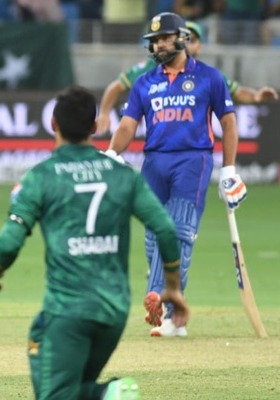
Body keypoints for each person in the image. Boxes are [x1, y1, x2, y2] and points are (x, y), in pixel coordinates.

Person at [0, 85, 189, 400]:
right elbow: (165, 228)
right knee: (63, 377)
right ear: (94, 127)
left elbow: (10, 241)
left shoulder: (41, 176)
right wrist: (172, 286)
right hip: (114, 310)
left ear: (53, 124)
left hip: (68, 310)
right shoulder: (123, 175)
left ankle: (111, 393)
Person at [105, 12, 247, 338]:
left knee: (177, 231)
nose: (157, 45)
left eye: (164, 38)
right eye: (153, 41)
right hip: (153, 163)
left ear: (181, 37)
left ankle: (158, 297)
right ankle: (173, 316)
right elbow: (128, 125)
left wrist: (229, 169)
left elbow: (228, 122)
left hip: (192, 161)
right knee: (154, 239)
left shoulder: (209, 77)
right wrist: (114, 153)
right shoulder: (144, 82)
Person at [96, 20, 279, 135]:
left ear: (199, 47)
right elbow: (117, 87)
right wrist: (104, 112)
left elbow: (237, 92)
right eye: (185, 38)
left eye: (193, 39)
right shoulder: (151, 69)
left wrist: (255, 96)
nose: (187, 43)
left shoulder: (207, 74)